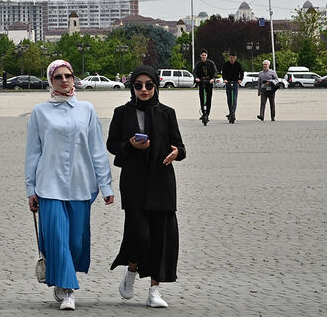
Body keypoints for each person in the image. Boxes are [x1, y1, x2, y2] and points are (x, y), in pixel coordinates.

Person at [26, 59, 115, 311]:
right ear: (50, 81)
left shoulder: (86, 109)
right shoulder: (40, 112)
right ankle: (68, 290)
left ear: (74, 79)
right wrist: (30, 189)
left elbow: (97, 150)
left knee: (76, 241)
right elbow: (33, 153)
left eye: (69, 76)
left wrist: (105, 185)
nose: (64, 81)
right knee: (57, 238)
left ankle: (63, 276)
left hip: (80, 185)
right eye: (58, 77)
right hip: (48, 186)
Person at [107, 65, 186, 309]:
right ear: (132, 87)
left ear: (156, 86)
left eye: (149, 85)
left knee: (161, 238)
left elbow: (180, 146)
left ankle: (154, 290)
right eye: (138, 85)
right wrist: (130, 146)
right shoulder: (122, 112)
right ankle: (131, 270)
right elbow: (112, 144)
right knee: (140, 235)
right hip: (134, 182)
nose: (144, 89)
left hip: (162, 182)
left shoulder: (167, 113)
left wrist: (177, 153)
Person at [193, 51, 217, 126]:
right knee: (202, 98)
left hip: (209, 83)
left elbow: (215, 71)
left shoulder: (211, 63)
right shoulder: (198, 64)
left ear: (207, 56)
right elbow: (194, 72)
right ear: (200, 56)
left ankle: (207, 114)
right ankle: (203, 113)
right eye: (202, 55)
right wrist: (196, 78)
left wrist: (213, 78)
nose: (204, 56)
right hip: (201, 82)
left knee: (209, 98)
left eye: (205, 55)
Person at [221, 51, 244, 123]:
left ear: (235, 58)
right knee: (229, 98)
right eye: (231, 58)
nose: (232, 59)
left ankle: (233, 112)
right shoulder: (226, 64)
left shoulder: (238, 64)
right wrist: (224, 79)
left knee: (234, 98)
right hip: (228, 82)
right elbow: (223, 73)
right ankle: (230, 111)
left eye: (233, 58)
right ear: (229, 57)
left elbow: (241, 73)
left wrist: (240, 79)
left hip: (235, 82)